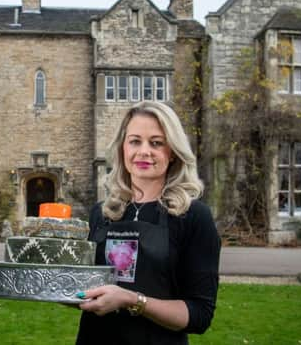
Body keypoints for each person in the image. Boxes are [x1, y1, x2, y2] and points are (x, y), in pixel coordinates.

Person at [75, 101, 220, 345]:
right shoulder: (102, 213)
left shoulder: (194, 217)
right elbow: (87, 287)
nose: (144, 151)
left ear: (172, 151)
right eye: (135, 141)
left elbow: (200, 315)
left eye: (156, 143)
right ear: (123, 148)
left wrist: (133, 300)